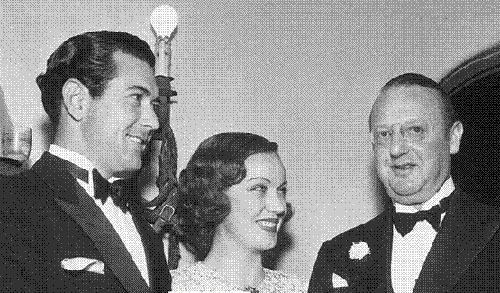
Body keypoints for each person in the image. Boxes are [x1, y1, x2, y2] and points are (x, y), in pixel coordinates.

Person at [0, 31, 171, 292]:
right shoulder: (11, 203)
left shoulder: (148, 235)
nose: (154, 122)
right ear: (77, 101)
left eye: (154, 104)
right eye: (136, 98)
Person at [308, 73, 500, 293]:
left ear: (453, 138)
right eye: (384, 134)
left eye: (415, 130)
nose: (396, 149)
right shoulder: (337, 256)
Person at [170, 132, 306, 292]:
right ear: (213, 194)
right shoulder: (176, 288)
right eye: (259, 188)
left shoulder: (299, 289)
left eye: (281, 190)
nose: (279, 207)